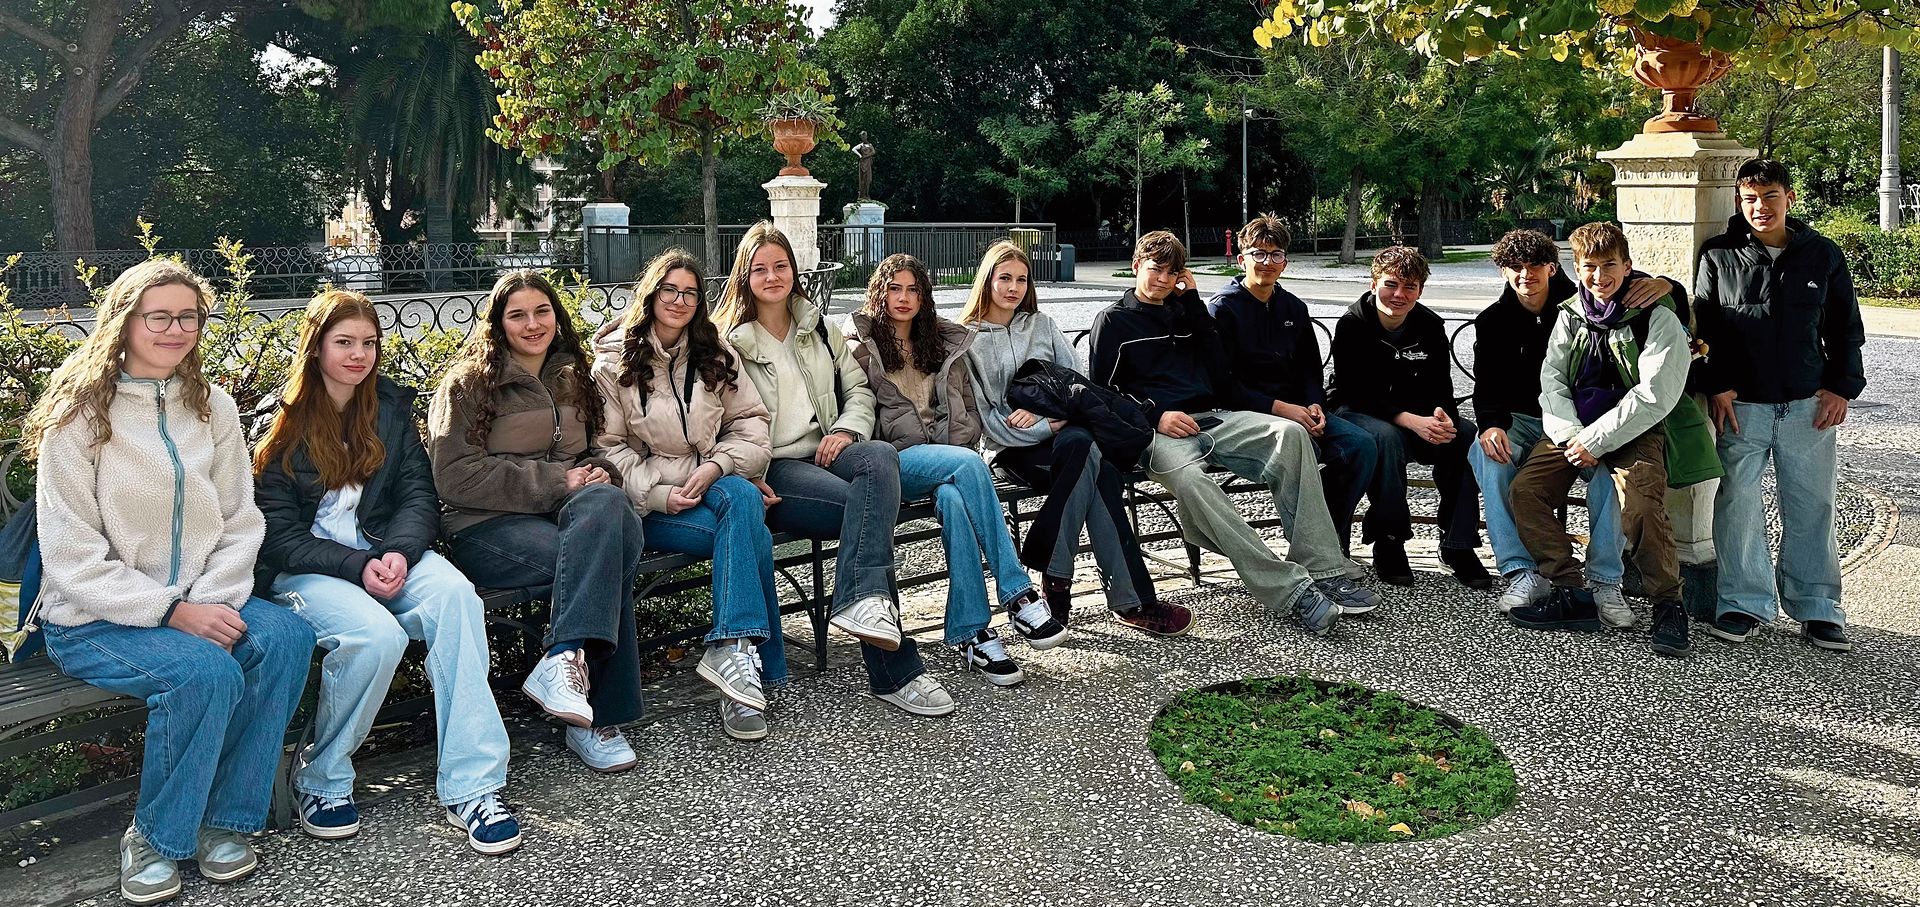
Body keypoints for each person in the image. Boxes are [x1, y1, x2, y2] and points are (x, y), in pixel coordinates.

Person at [24, 259, 315, 903]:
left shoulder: (211, 405)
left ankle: (226, 820)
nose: (175, 329)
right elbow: (71, 555)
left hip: (202, 597)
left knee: (288, 636)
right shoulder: (80, 415)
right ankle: (155, 837)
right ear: (125, 323)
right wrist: (171, 611)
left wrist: (209, 600)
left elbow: (241, 518)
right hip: (96, 617)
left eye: (188, 316)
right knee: (204, 672)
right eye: (159, 316)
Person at [255, 289, 521, 854]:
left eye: (369, 343)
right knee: (375, 636)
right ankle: (321, 776)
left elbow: (418, 496)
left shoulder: (392, 409)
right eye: (344, 343)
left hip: (388, 556)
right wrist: (358, 564)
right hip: (310, 573)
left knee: (456, 599)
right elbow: (278, 538)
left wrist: (399, 550)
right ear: (316, 348)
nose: (359, 355)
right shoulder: (282, 423)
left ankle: (473, 787)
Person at [1089, 231, 1383, 636]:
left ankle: (1323, 567)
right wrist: (1155, 415)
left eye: (1172, 273)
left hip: (1216, 417)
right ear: (1137, 265)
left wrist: (1191, 305)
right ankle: (1289, 590)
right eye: (1155, 269)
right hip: (1157, 432)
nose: (1161, 280)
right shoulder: (1112, 320)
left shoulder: (1187, 311)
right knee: (1193, 481)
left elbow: (1219, 371)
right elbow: (1104, 394)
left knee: (1291, 436)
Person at [715, 221, 954, 715]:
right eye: (760, 269)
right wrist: (743, 469)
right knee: (865, 511)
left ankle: (865, 606)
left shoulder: (819, 327)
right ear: (745, 275)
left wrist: (846, 429)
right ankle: (894, 669)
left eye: (781, 266)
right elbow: (714, 418)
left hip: (828, 446)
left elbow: (860, 391)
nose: (773, 276)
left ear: (794, 271)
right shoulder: (726, 342)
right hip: (773, 468)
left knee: (880, 457)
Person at [429, 270, 647, 774]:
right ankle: (592, 721)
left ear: (557, 316)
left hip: (568, 520)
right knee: (601, 559)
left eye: (542, 311)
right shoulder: (469, 384)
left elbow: (594, 451)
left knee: (608, 512)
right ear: (498, 324)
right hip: (486, 528)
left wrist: (599, 471)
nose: (533, 324)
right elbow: (454, 477)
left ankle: (563, 658)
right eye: (518, 315)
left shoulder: (573, 376)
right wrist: (559, 481)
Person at [591, 249, 786, 739]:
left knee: (741, 499)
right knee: (753, 534)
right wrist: (659, 495)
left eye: (690, 293)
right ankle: (745, 667)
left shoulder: (714, 353)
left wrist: (719, 464)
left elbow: (751, 424)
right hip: (654, 502)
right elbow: (607, 450)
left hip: (714, 482)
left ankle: (732, 652)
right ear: (652, 294)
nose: (679, 301)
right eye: (670, 290)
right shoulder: (615, 361)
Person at [846, 253, 1064, 685]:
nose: (903, 298)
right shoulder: (860, 349)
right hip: (895, 464)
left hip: (948, 464)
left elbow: (966, 414)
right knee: (966, 466)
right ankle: (1018, 594)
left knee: (954, 498)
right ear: (879, 293)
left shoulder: (946, 345)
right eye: (894, 288)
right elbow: (859, 413)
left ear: (925, 296)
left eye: (913, 289)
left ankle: (971, 633)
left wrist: (953, 449)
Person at [959, 240, 1177, 634]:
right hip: (1014, 453)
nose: (1013, 288)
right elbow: (987, 421)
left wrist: (1049, 415)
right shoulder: (966, 339)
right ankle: (1132, 601)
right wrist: (1047, 426)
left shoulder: (1041, 324)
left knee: (1084, 450)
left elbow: (1077, 384)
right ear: (986, 280)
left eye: (1022, 280)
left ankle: (1057, 579)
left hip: (1069, 438)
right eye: (1004, 278)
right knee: (1097, 465)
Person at [1695, 158, 1866, 652]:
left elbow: (1845, 329)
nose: (1760, 207)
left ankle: (1817, 608)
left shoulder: (1823, 255)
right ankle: (1743, 603)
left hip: (1807, 405)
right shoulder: (1717, 255)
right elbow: (1705, 326)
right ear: (1738, 202)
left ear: (1789, 198)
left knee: (1812, 506)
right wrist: (1717, 385)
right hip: (1740, 406)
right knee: (1738, 506)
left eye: (1769, 196)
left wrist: (1841, 387)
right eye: (1750, 198)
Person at [1506, 222, 1695, 658]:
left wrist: (1597, 440)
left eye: (1609, 264)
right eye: (1589, 266)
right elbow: (1552, 378)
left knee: (1642, 500)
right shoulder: (1570, 314)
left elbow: (1655, 393)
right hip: (1574, 428)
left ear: (1627, 265)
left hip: (1635, 429)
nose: (1599, 276)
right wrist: (1573, 436)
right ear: (1577, 267)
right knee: (1527, 490)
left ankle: (1668, 603)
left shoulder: (1656, 315)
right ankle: (1571, 589)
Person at [1470, 229, 1665, 620]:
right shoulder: (1492, 321)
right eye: (1515, 267)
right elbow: (1487, 386)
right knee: (1488, 457)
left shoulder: (1579, 304)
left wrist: (1667, 284)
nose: (1525, 275)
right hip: (1526, 420)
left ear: (1553, 267)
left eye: (1535, 266)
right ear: (1502, 272)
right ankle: (1522, 570)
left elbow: (1621, 277)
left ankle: (1605, 579)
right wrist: (1490, 424)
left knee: (1612, 477)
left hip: (1589, 419)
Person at [1207, 216, 1377, 557]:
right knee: (1306, 452)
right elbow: (1220, 385)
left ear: (1285, 261)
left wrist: (1315, 404)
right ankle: (1318, 550)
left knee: (1361, 446)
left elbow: (1310, 369)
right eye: (1259, 254)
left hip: (1299, 410)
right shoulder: (1222, 309)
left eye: (1276, 254)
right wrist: (1282, 409)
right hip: (1250, 414)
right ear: (1242, 259)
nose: (1267, 262)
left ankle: (1328, 541)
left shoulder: (1293, 308)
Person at [1327, 247, 1490, 589]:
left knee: (1464, 434)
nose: (1399, 295)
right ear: (1374, 284)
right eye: (1391, 284)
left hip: (1416, 416)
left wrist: (1443, 417)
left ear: (1420, 290)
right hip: (1360, 411)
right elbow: (1356, 391)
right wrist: (1411, 421)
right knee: (1384, 438)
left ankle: (1457, 544)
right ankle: (1390, 539)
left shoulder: (1430, 325)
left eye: (1410, 287)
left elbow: (1441, 384)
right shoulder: (1352, 324)